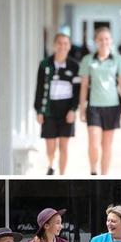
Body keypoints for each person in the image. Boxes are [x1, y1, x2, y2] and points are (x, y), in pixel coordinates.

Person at [79, 27, 121, 175]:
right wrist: (82, 107)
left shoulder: (118, 60)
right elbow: (83, 86)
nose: (104, 42)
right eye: (100, 39)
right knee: (94, 144)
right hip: (94, 107)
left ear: (111, 40)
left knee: (107, 145)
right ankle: (94, 171)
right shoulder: (87, 60)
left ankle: (105, 175)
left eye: (107, 38)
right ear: (95, 41)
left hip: (112, 107)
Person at [34, 33, 80, 175]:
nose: (62, 46)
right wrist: (39, 111)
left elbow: (77, 91)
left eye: (66, 43)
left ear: (69, 46)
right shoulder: (45, 65)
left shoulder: (74, 66)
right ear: (54, 45)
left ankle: (62, 175)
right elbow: (39, 89)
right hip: (49, 112)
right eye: (59, 43)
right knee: (50, 147)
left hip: (66, 112)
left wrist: (73, 110)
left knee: (64, 146)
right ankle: (51, 164)